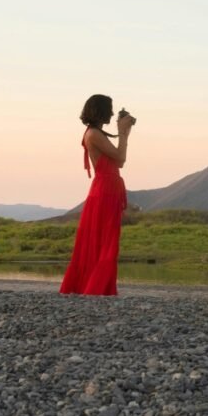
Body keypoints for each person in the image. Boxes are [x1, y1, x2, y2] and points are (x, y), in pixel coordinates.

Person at [60, 94, 135, 297]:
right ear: (100, 111)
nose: (111, 113)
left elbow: (118, 162)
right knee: (105, 240)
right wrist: (123, 133)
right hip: (105, 190)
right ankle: (96, 287)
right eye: (109, 109)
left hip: (107, 189)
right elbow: (121, 157)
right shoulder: (94, 134)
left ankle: (96, 286)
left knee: (103, 239)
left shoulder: (96, 133)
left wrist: (124, 133)